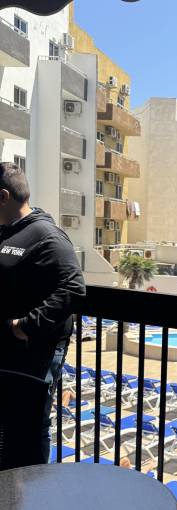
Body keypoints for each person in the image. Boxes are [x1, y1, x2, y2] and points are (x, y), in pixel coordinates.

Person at [0, 162, 85, 463]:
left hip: (34, 356)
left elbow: (73, 289)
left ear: (3, 197)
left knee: (31, 428)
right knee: (8, 428)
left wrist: (24, 326)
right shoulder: (6, 233)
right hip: (7, 356)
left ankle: (33, 489)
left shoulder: (47, 236)